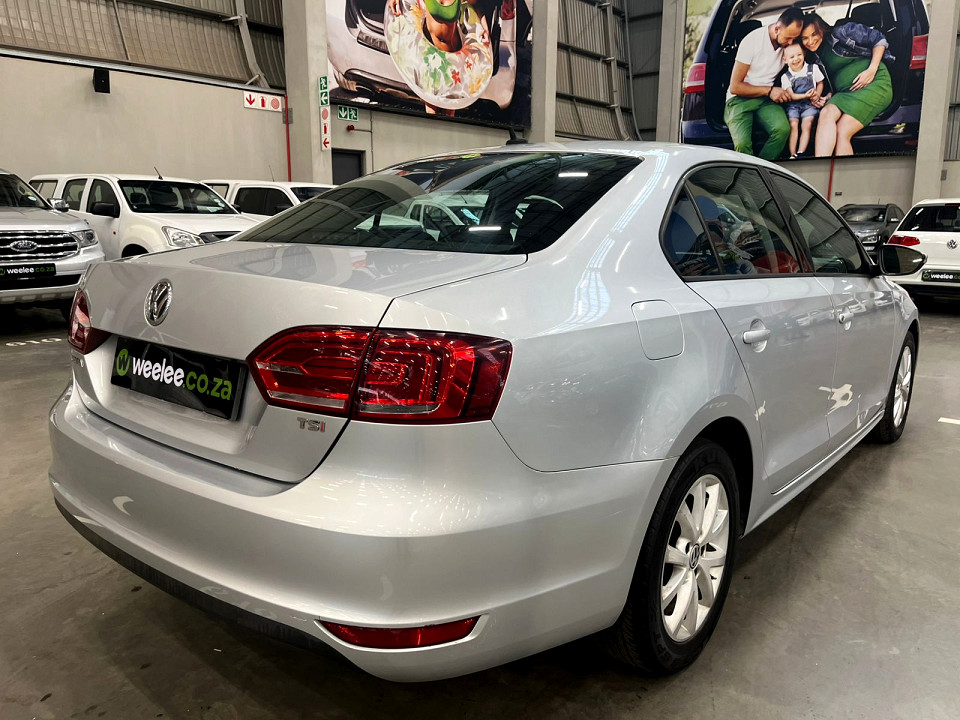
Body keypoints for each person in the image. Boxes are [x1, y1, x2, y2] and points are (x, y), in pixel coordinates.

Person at [801, 13, 894, 157]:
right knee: (826, 113)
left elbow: (879, 39)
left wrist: (871, 70)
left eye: (814, 34)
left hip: (874, 83)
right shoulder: (812, 56)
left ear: (822, 29)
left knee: (842, 131)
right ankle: (821, 164)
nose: (810, 41)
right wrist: (828, 96)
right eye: (805, 38)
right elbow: (831, 80)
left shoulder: (842, 32)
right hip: (845, 93)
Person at [724, 7, 804, 160]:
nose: (790, 42)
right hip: (739, 100)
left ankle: (763, 168)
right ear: (777, 29)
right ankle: (750, 174)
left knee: (782, 130)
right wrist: (770, 91)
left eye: (794, 38)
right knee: (742, 144)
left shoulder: (788, 45)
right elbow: (735, 87)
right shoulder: (752, 41)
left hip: (765, 100)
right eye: (788, 38)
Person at [779, 43, 825, 159]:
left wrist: (817, 94)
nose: (796, 59)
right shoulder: (786, 76)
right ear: (785, 60)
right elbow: (791, 95)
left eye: (799, 55)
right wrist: (805, 95)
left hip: (810, 104)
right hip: (793, 105)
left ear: (804, 54)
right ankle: (792, 154)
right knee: (793, 125)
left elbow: (820, 83)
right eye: (791, 57)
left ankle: (800, 152)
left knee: (807, 124)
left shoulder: (813, 68)